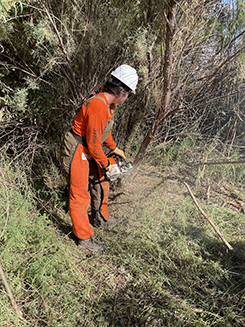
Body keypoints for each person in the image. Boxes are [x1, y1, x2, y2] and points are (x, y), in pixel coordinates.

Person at [61, 64, 138, 253]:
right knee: (79, 194)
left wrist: (114, 149)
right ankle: (84, 237)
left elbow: (103, 133)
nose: (127, 98)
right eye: (128, 94)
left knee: (101, 181)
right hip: (78, 147)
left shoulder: (108, 105)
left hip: (89, 147)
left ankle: (100, 218)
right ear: (121, 91)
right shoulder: (97, 105)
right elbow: (94, 144)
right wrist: (107, 164)